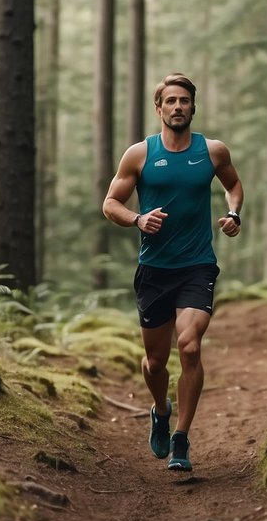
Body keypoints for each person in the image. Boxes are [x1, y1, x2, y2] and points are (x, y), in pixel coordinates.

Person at [102, 72, 244, 471]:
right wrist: (137, 219)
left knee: (191, 346)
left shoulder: (212, 151)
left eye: (184, 101)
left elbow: (234, 185)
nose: (178, 107)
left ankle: (181, 437)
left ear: (193, 107)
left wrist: (234, 213)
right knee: (154, 362)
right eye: (171, 101)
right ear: (159, 107)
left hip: (197, 266)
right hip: (154, 270)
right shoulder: (139, 154)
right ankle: (160, 410)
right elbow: (110, 203)